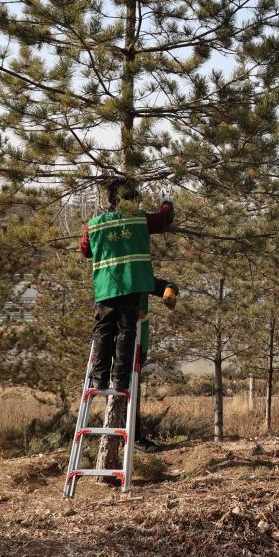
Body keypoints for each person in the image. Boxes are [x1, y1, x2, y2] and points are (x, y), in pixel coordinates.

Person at [79, 177, 178, 453]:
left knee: (103, 332)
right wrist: (167, 199)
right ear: (132, 199)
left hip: (105, 290)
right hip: (132, 287)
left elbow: (85, 250)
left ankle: (99, 378)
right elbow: (164, 219)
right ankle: (121, 380)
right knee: (126, 333)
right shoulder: (139, 220)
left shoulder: (94, 224)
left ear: (109, 199)